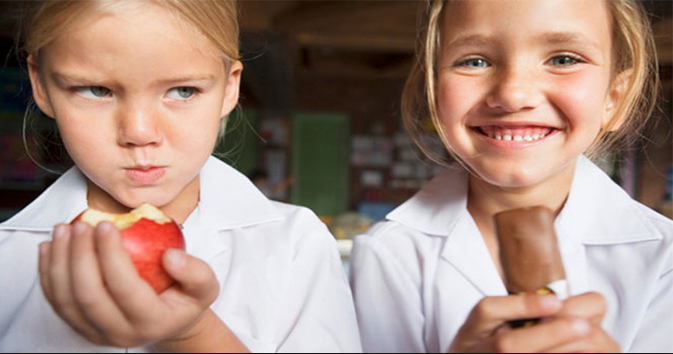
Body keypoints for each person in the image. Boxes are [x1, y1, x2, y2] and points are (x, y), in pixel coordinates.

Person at [0, 1, 361, 352]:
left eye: (183, 90)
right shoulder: (7, 257)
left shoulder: (296, 246)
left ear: (229, 88)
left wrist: (191, 332)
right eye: (97, 90)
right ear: (41, 85)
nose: (140, 132)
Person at [349, 0, 671, 352]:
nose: (513, 95)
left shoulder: (663, 261)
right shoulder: (388, 253)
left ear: (613, 97)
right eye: (474, 61)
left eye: (563, 59)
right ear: (435, 90)